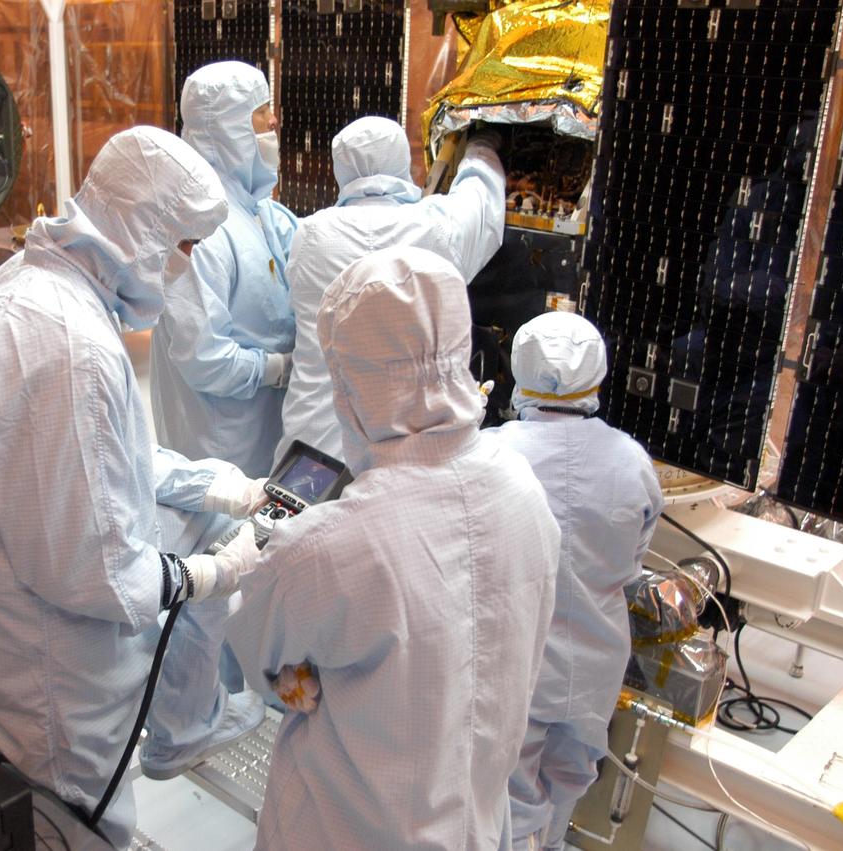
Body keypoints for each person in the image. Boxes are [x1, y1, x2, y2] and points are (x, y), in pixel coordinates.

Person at [0, 126, 267, 848]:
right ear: (146, 230)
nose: (186, 269)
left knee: (57, 807)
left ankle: (177, 732)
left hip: (13, 604)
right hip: (52, 669)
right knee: (73, 817)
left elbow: (100, 459)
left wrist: (207, 483)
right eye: (184, 249)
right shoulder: (65, 344)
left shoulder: (40, 290)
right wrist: (208, 574)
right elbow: (98, 575)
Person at [228, 247, 561, 850]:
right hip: (476, 826)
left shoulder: (333, 543)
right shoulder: (525, 493)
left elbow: (260, 658)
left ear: (353, 386)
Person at [492, 311, 664, 851]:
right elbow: (634, 561)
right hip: (595, 659)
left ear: (519, 369)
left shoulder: (493, 453)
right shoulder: (633, 462)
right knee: (570, 776)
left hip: (517, 658)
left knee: (508, 791)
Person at [274, 116, 505, 465]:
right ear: (403, 162)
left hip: (315, 438)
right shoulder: (435, 229)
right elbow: (481, 202)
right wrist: (481, 144)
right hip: (405, 442)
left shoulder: (310, 235)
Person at [150, 60, 298, 478]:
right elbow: (205, 359)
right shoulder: (201, 229)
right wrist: (281, 368)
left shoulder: (259, 210)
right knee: (224, 540)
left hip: (263, 439)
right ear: (230, 128)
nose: (274, 121)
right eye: (261, 113)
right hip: (220, 447)